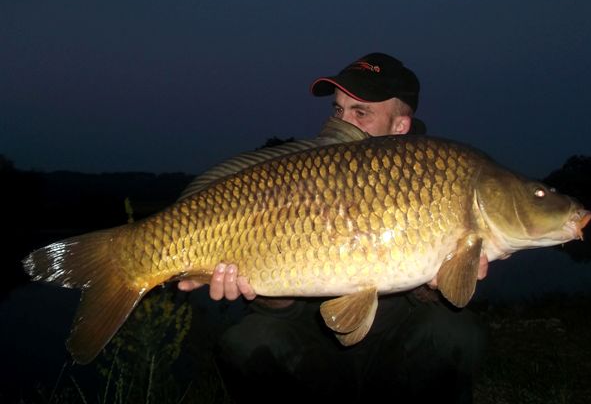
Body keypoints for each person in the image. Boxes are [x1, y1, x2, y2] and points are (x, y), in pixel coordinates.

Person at [179, 52, 488, 403]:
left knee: (457, 333)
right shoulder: (309, 177)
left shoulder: (437, 179)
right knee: (247, 340)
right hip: (317, 347)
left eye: (361, 112)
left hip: (395, 350)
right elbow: (286, 308)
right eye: (338, 110)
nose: (343, 121)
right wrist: (257, 289)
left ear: (400, 126)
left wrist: (439, 282)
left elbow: (438, 303)